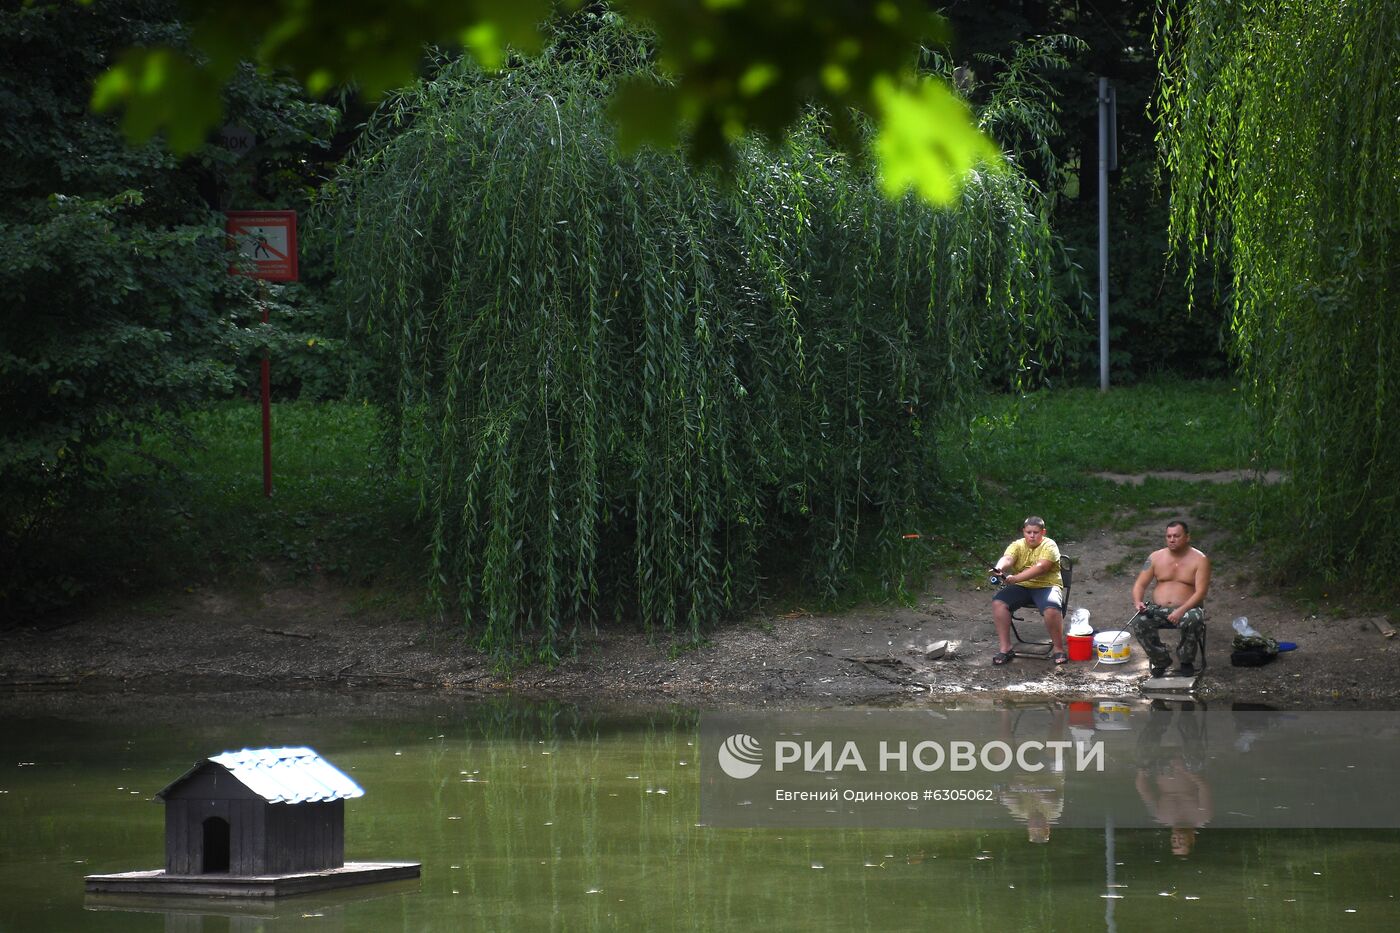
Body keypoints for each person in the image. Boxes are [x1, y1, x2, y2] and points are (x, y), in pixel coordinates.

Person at [1131, 520, 1211, 677]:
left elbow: (1201, 592)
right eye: (1169, 536)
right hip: (1160, 609)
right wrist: (1138, 602)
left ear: (1187, 537)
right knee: (1139, 621)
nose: (1172, 539)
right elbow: (1139, 585)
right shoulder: (1154, 557)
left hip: (1188, 608)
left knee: (1193, 619)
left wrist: (1181, 610)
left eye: (1176, 536)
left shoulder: (1200, 560)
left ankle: (1186, 660)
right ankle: (1160, 660)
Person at [989, 516, 1066, 665]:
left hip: (1047, 585)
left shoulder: (1050, 545)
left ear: (1043, 532)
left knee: (1052, 608)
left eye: (1036, 532)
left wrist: (1016, 578)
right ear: (1023, 531)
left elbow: (1041, 567)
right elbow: (1008, 558)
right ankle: (1005, 648)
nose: (1032, 535)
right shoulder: (1017, 545)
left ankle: (1058, 649)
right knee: (998, 603)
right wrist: (999, 567)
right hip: (1022, 587)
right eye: (1028, 532)